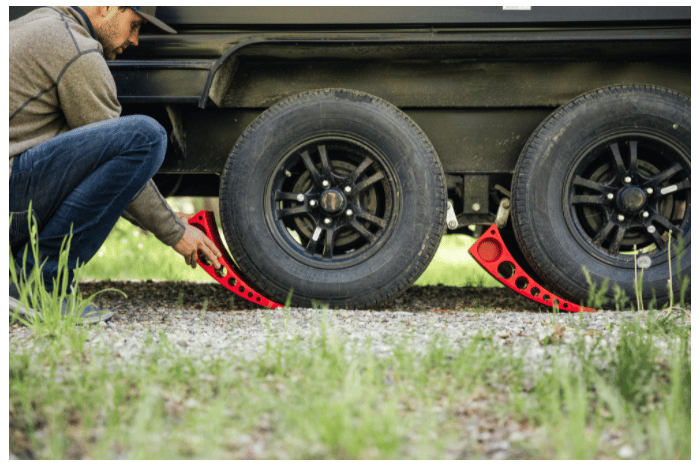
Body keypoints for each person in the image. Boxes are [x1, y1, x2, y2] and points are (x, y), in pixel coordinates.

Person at [9, 7, 222, 322]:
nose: (135, 40)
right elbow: (124, 155)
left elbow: (99, 174)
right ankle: (38, 283)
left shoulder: (38, 23)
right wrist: (176, 232)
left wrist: (163, 218)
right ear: (107, 7)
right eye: (134, 25)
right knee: (144, 136)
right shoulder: (74, 48)